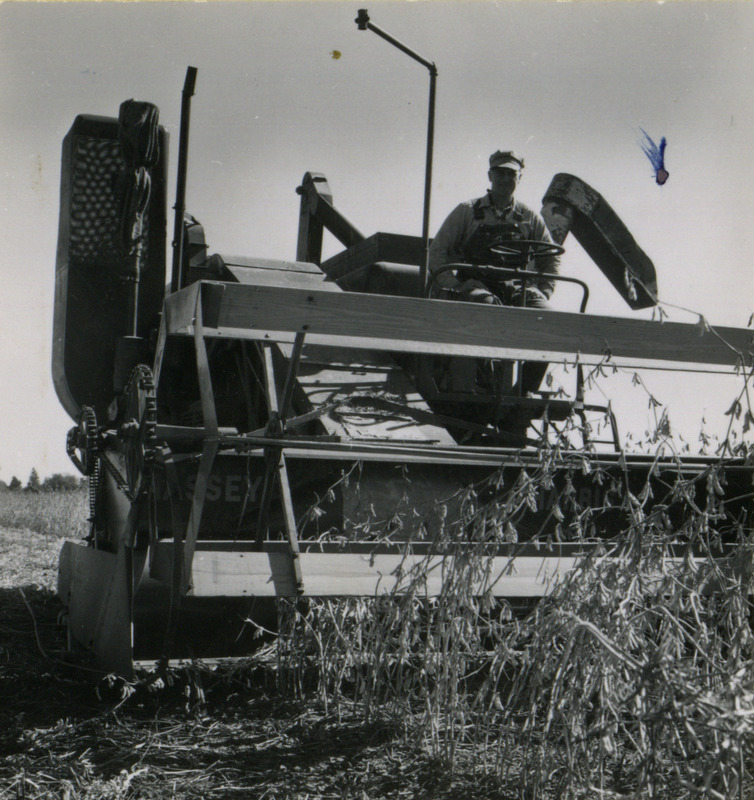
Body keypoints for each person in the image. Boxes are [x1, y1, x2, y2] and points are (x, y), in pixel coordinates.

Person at [427, 149, 561, 399]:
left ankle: (523, 392)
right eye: (499, 172)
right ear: (490, 175)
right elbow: (437, 253)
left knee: (551, 322)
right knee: (487, 306)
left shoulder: (529, 218)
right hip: (475, 285)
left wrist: (543, 291)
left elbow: (550, 259)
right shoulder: (467, 211)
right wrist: (453, 286)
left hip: (516, 288)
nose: (505, 178)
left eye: (511, 173)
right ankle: (485, 386)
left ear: (519, 178)